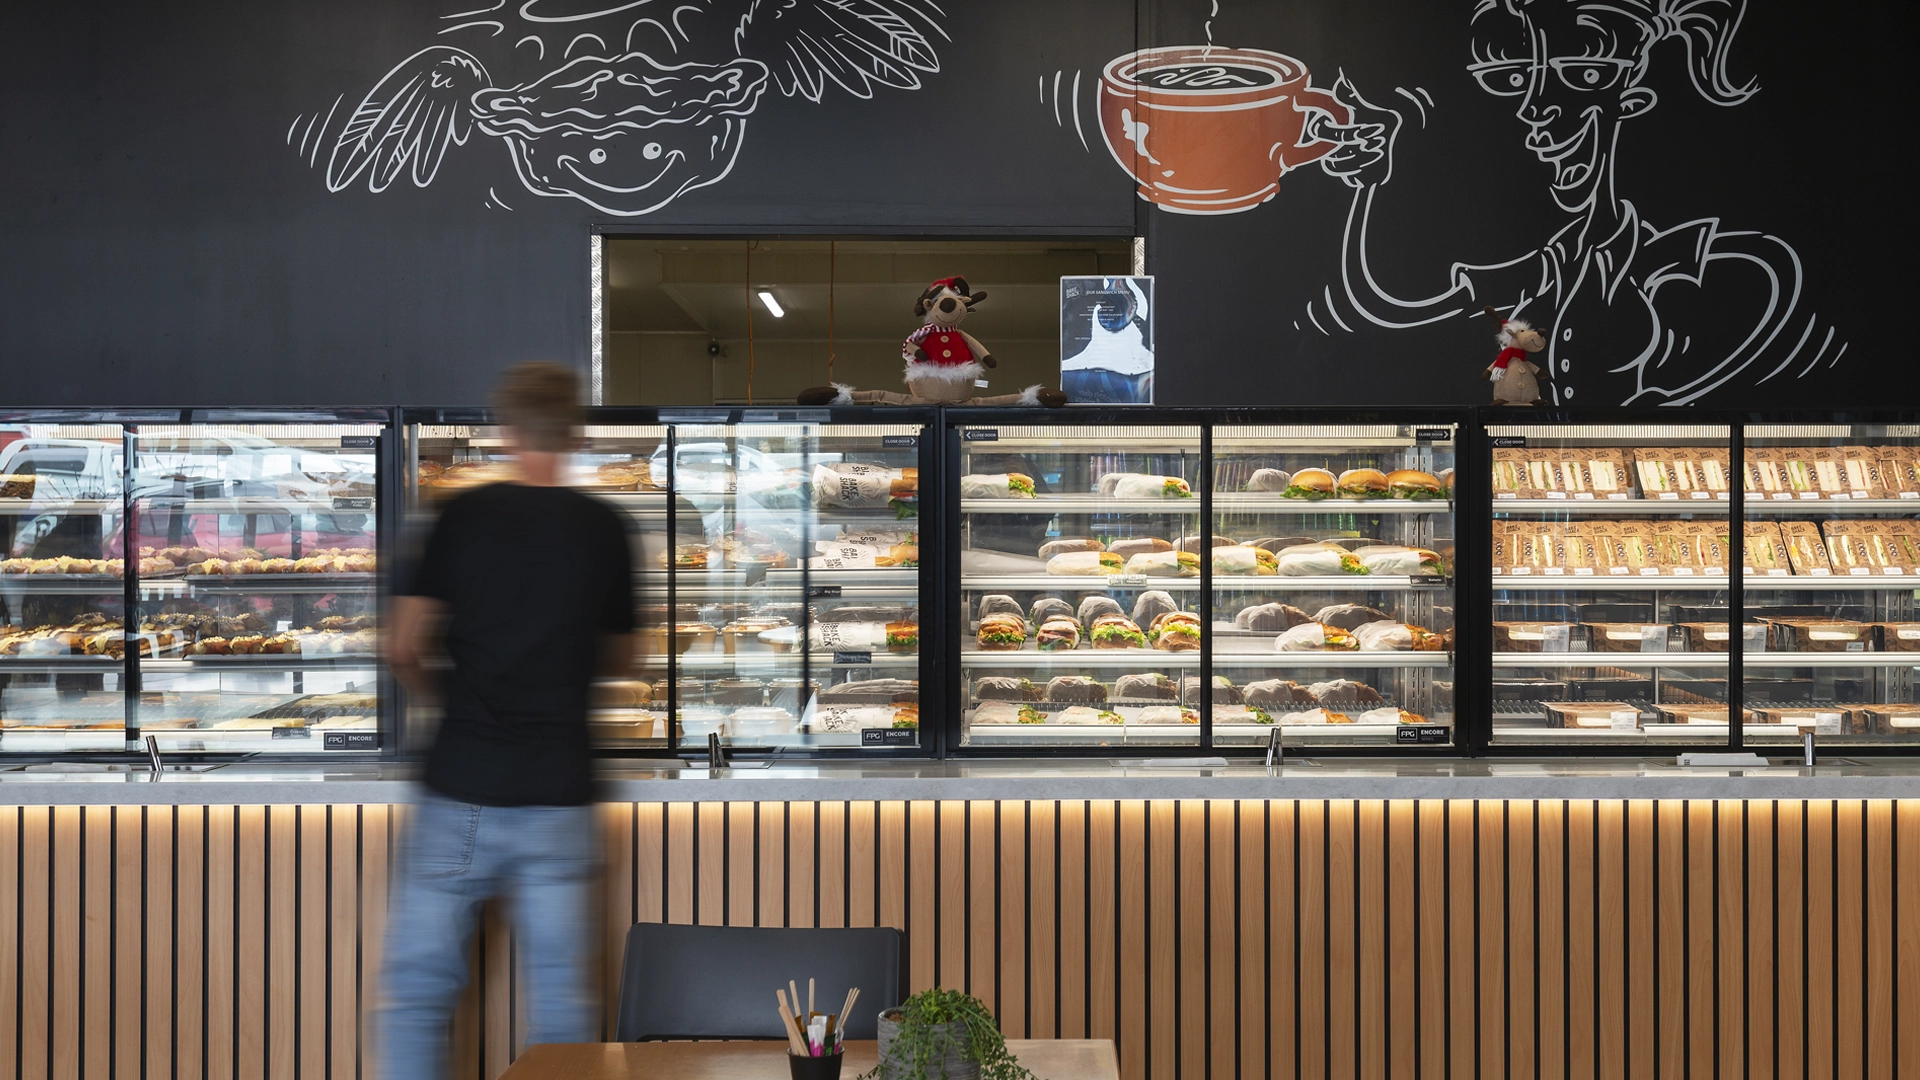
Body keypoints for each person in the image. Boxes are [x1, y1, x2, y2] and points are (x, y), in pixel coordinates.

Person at [1312, 0, 1840, 406]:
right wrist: (1371, 185)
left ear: (1632, 100)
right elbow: (1389, 305)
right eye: (1515, 79)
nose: (1537, 108)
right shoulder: (1546, 264)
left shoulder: (1720, 266)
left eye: (1583, 75)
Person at [379, 361, 634, 1078]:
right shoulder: (604, 527)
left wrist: (450, 700)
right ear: (575, 430)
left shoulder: (459, 515)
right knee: (562, 1005)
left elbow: (401, 646)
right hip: (559, 791)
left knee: (419, 995)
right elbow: (627, 657)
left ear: (507, 430)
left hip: (460, 782)